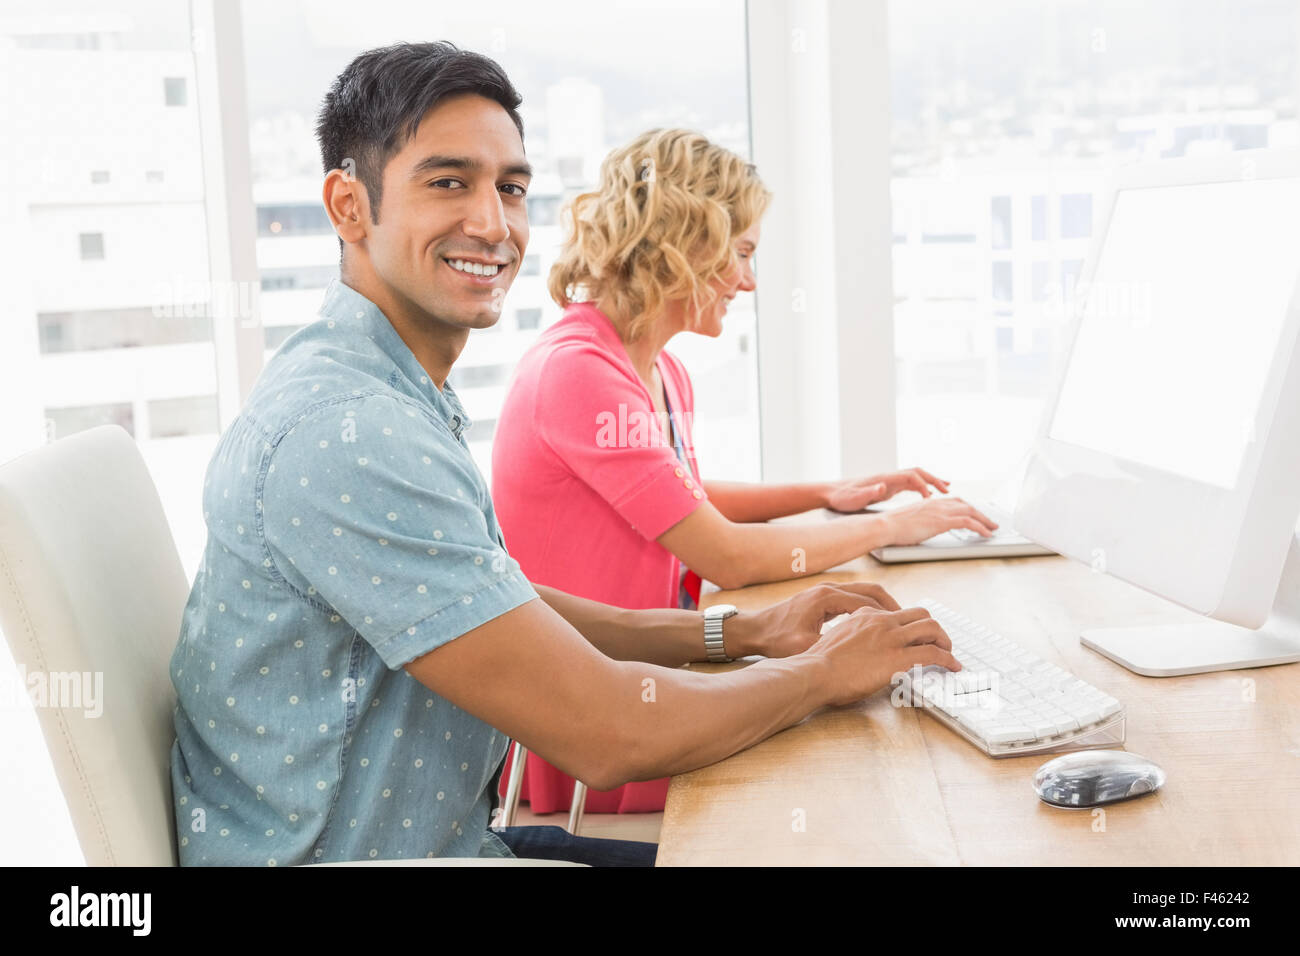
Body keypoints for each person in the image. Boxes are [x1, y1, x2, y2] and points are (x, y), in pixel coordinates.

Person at [167, 41, 960, 868]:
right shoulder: (354, 432)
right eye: (448, 182)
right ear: (348, 205)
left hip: (445, 837)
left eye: (509, 188)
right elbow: (609, 733)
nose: (492, 222)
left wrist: (743, 631)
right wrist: (823, 674)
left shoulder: (374, 387)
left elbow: (493, 595)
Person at [491, 129, 996, 815]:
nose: (750, 281)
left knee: (861, 733)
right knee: (857, 762)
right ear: (684, 241)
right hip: (587, 742)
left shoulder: (657, 368)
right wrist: (897, 526)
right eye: (744, 253)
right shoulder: (579, 373)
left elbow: (681, 499)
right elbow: (724, 552)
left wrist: (824, 495)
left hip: (651, 675)